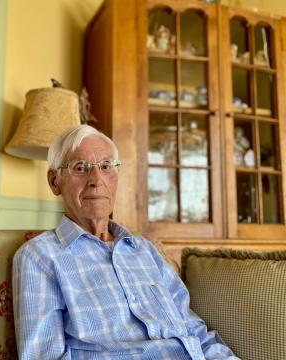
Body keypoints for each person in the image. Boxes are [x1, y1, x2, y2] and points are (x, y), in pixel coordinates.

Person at [12, 125, 238, 360]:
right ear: (54, 181)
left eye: (106, 167)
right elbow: (42, 356)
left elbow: (194, 331)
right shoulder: (39, 256)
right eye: (80, 168)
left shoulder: (145, 250)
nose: (96, 180)